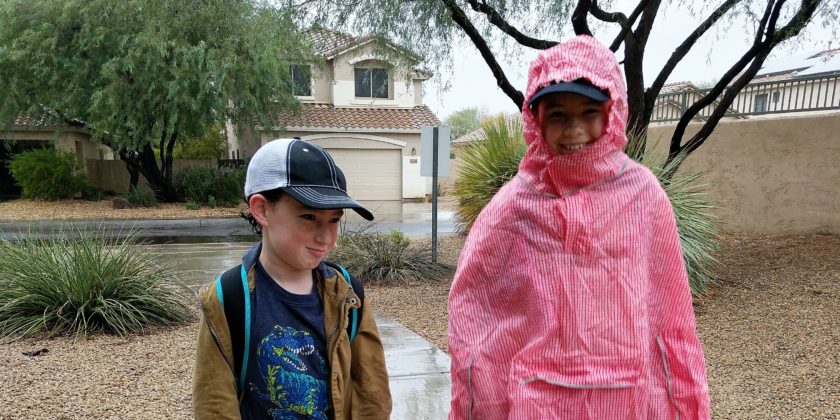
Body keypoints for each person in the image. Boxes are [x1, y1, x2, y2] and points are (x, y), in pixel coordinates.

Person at [447, 35, 710, 419]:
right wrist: (481, 400)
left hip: (626, 397)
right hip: (537, 400)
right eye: (558, 115)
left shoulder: (643, 195)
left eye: (589, 112)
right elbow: (476, 316)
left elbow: (669, 316)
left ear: (613, 111)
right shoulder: (513, 207)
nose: (574, 130)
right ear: (535, 119)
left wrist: (681, 401)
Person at [192, 138, 392, 419]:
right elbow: (213, 405)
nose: (325, 237)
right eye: (308, 216)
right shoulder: (228, 299)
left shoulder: (349, 295)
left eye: (335, 220)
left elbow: (372, 393)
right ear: (262, 209)